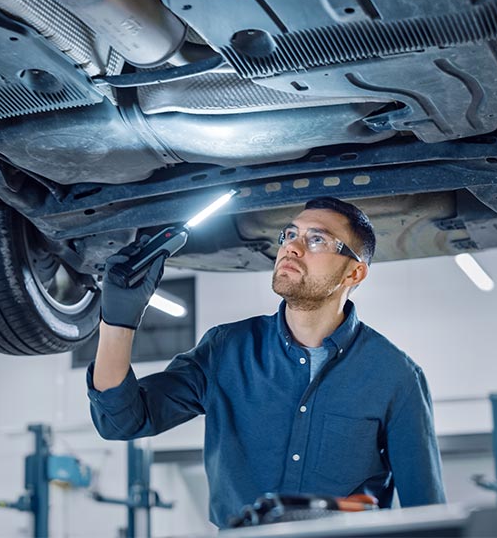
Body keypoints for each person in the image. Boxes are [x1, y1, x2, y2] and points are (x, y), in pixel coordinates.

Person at [86, 197, 446, 528]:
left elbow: (427, 512)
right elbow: (123, 421)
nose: (292, 245)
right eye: (290, 233)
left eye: (316, 239)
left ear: (354, 273)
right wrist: (118, 321)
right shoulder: (226, 349)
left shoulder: (395, 376)